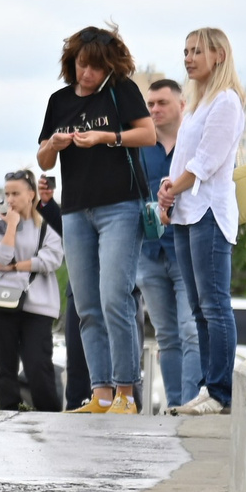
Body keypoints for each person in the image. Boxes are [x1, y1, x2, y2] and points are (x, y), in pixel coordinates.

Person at [35, 25, 156, 414]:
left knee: (114, 298)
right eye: (83, 66)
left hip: (121, 206)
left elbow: (148, 134)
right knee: (85, 303)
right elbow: (43, 160)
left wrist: (108, 138)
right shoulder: (59, 101)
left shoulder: (122, 91)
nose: (88, 74)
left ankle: (127, 393)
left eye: (97, 68)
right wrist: (53, 144)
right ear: (72, 62)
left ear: (110, 67)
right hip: (75, 210)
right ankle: (100, 392)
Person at [160, 29, 245, 414]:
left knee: (214, 305)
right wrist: (168, 190)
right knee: (198, 309)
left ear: (219, 56)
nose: (189, 58)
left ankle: (221, 392)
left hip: (209, 212)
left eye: (197, 51)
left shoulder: (226, 102)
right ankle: (208, 390)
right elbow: (183, 161)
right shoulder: (196, 104)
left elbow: (206, 162)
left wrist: (174, 188)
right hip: (186, 213)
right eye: (186, 51)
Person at [135, 77, 200, 411]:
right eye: (150, 104)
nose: (155, 110)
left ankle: (189, 405)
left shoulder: (195, 144)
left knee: (191, 332)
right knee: (167, 336)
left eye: (162, 103)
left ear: (181, 104)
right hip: (149, 254)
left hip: (187, 250)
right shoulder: (141, 150)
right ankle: (175, 406)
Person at [0, 170, 64, 411]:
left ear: (30, 194)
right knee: (5, 367)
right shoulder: (0, 225)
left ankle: (50, 415)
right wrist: (11, 227)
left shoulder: (46, 226)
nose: (10, 199)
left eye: (16, 193)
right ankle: (9, 414)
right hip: (0, 303)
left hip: (38, 305)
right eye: (7, 194)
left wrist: (15, 266)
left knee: (38, 366)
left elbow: (53, 259)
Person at [38, 171, 88, 395]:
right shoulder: (76, 202)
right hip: (78, 291)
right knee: (76, 361)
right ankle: (76, 408)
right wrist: (48, 203)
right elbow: (67, 230)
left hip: (114, 293)